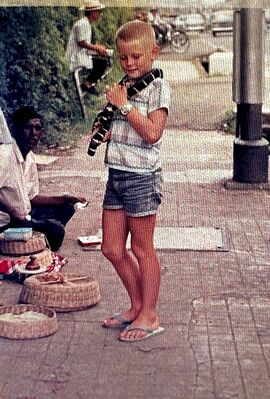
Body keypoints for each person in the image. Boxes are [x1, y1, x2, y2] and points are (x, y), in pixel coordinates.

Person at [99, 21, 172, 342]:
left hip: (142, 179)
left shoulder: (158, 88)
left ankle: (151, 316)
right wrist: (107, 132)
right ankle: (136, 306)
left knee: (142, 249)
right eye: (124, 58)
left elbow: (153, 134)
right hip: (117, 174)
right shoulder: (124, 84)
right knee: (112, 248)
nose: (129, 64)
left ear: (153, 53)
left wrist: (124, 106)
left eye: (136, 57)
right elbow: (130, 129)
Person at [0, 106, 87, 251]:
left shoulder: (30, 157)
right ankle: (37, 237)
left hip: (24, 217)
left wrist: (64, 198)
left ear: (42, 133)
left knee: (68, 206)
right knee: (55, 230)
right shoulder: (4, 155)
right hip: (6, 224)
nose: (33, 133)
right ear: (15, 129)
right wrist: (11, 210)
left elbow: (32, 197)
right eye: (27, 128)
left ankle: (37, 235)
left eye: (37, 128)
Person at [65, 1, 109, 95]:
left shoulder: (86, 23)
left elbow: (85, 43)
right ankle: (87, 84)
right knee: (102, 63)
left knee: (102, 61)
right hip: (75, 56)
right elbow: (81, 43)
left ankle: (88, 83)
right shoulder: (83, 24)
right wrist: (96, 48)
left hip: (81, 54)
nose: (100, 14)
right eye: (99, 12)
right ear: (93, 12)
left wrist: (97, 48)